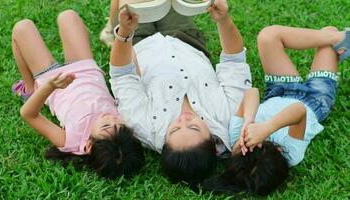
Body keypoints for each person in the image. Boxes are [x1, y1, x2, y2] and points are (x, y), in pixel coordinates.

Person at [108, 0, 252, 187]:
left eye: (174, 129)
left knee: (127, 4)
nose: (183, 120)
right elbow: (234, 60)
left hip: (138, 43)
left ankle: (112, 29)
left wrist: (124, 34)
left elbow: (122, 75)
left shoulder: (145, 126)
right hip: (186, 40)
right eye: (194, 128)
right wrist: (223, 20)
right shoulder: (229, 117)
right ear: (214, 144)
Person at [202, 25, 349, 196]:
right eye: (263, 143)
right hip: (315, 100)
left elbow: (252, 92)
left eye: (240, 148)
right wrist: (267, 128)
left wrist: (249, 121)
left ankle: (339, 38)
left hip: (279, 90)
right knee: (329, 32)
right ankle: (337, 39)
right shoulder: (292, 153)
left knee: (268, 36)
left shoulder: (238, 137)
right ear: (279, 152)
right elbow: (298, 110)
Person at [11, 10, 144, 179]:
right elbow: (133, 81)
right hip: (86, 68)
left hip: (53, 79)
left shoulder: (72, 139)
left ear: (88, 146)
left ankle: (29, 89)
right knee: (68, 16)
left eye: (105, 126)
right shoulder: (127, 124)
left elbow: (28, 114)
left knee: (22, 28)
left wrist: (50, 86)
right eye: (119, 124)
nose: (111, 119)